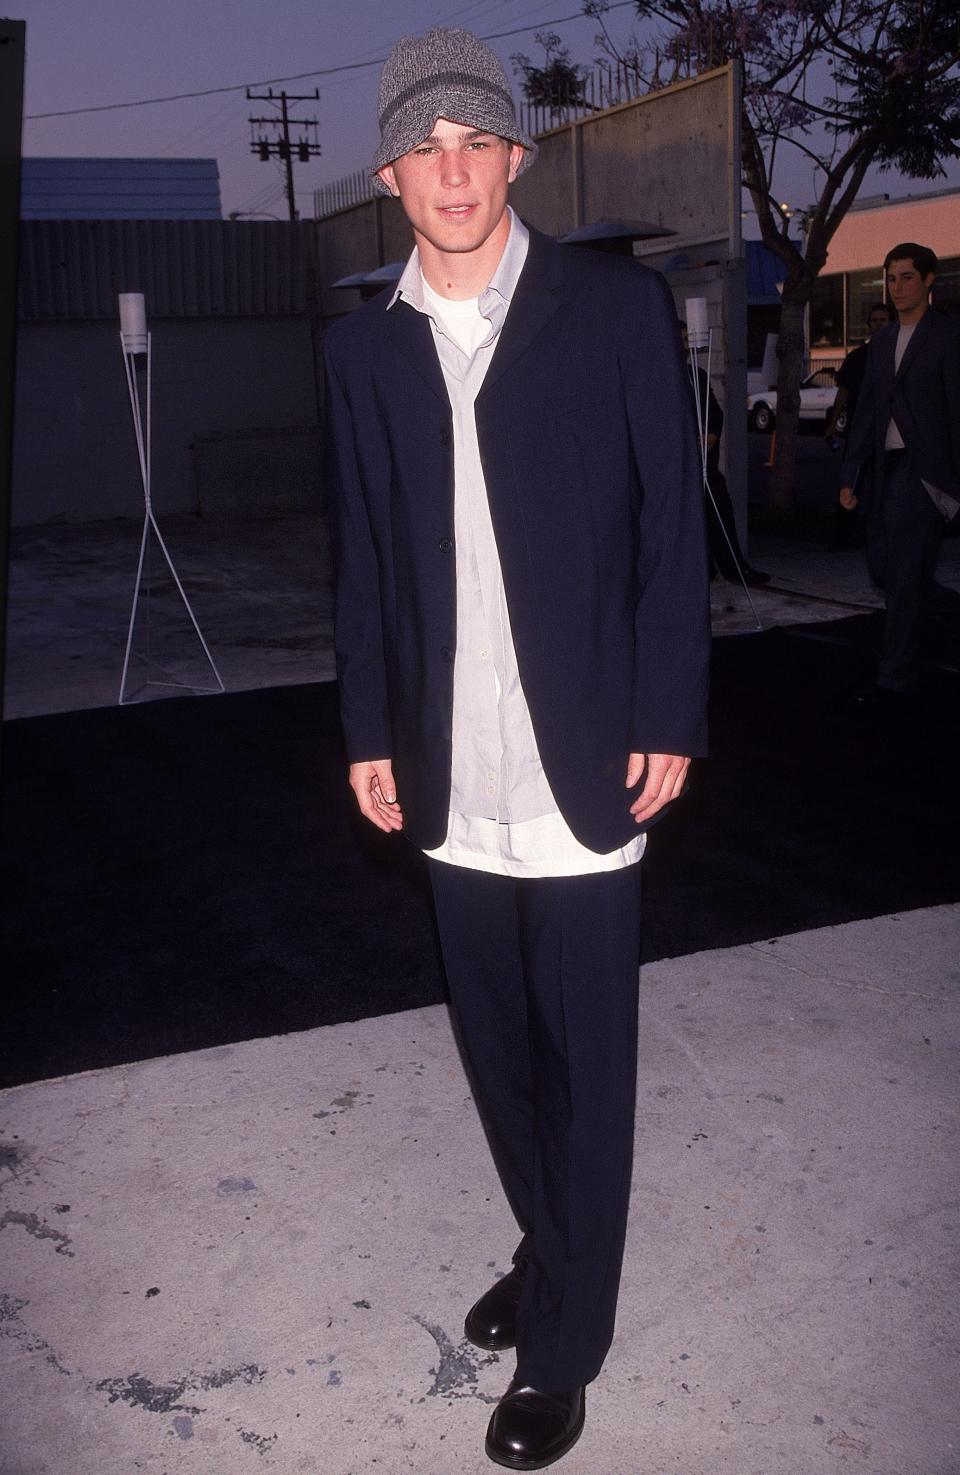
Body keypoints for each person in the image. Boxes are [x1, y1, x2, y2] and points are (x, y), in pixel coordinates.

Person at [323, 27, 710, 1469]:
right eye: (426, 148)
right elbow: (364, 558)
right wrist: (368, 724)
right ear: (391, 175)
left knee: (584, 1053)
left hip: (590, 745)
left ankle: (567, 1342)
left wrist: (671, 704)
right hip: (443, 759)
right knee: (496, 1049)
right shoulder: (360, 348)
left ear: (514, 159)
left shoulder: (612, 311)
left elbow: (672, 523)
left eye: (477, 142)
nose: (454, 169)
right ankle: (549, 1249)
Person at [839, 243, 960, 704]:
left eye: (907, 277)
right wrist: (850, 474)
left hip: (922, 472)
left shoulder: (947, 337)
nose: (898, 288)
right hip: (885, 472)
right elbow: (868, 410)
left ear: (929, 281)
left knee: (906, 576)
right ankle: (935, 613)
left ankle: (894, 677)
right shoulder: (883, 341)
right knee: (886, 570)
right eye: (891, 279)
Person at [684, 338, 770, 585]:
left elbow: (714, 411)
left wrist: (710, 435)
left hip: (699, 459)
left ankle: (732, 566)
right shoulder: (654, 376)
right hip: (671, 463)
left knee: (716, 499)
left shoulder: (696, 376)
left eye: (684, 341)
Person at [825, 302, 892, 549]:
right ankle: (843, 534)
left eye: (882, 320)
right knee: (851, 478)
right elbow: (843, 392)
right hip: (860, 427)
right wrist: (833, 423)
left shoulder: (897, 355)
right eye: (874, 320)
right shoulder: (859, 357)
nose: (877, 324)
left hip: (889, 431)